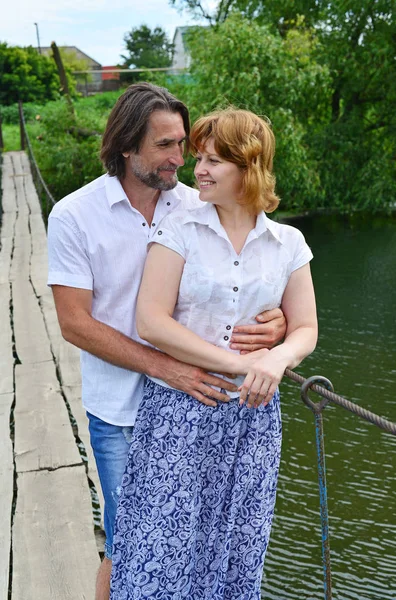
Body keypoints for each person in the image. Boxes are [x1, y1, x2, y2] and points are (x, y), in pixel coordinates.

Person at [47, 84, 287, 600]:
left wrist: (279, 326)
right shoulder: (73, 215)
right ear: (127, 146)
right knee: (127, 546)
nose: (181, 159)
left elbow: (249, 276)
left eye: (184, 144)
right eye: (165, 145)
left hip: (199, 408)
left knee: (199, 549)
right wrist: (164, 367)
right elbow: (74, 323)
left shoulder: (200, 203)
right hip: (121, 410)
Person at [110, 108, 318, 600]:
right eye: (198, 157)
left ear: (250, 167)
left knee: (235, 552)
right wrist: (239, 363)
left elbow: (306, 328)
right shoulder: (179, 229)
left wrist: (277, 358)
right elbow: (151, 321)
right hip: (180, 413)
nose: (197, 168)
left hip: (253, 419)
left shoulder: (288, 243)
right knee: (158, 554)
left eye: (214, 160)